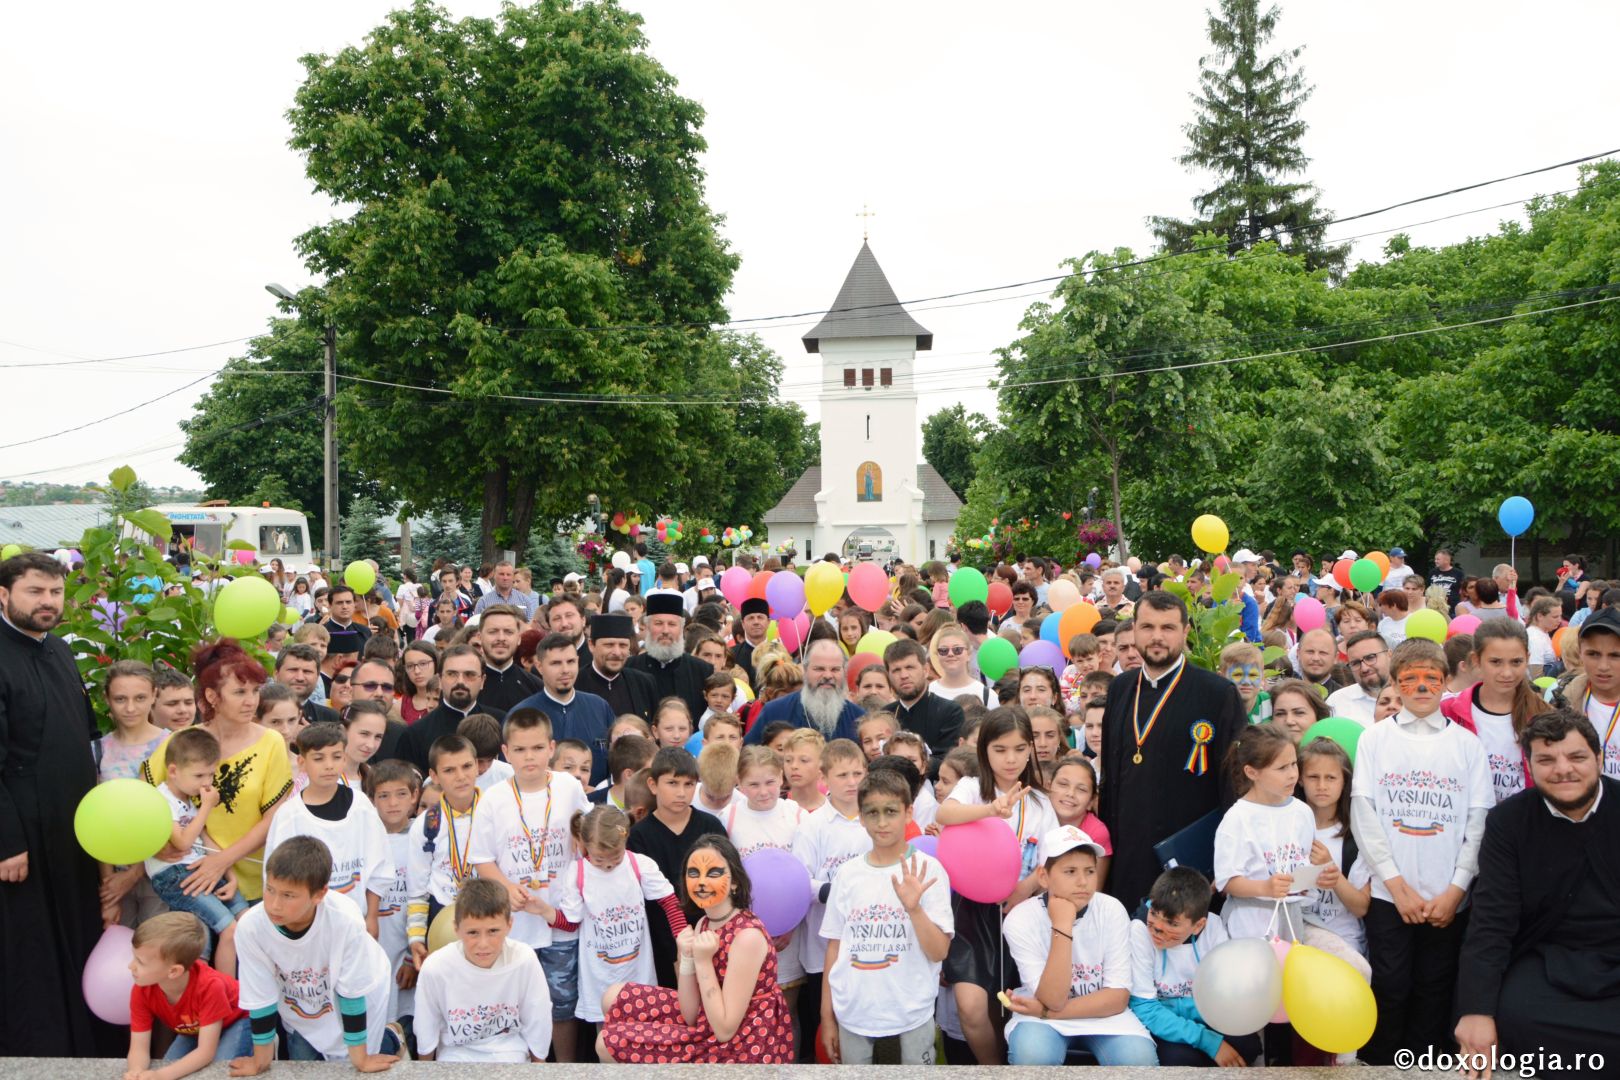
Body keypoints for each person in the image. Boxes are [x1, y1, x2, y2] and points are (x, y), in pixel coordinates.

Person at [1351, 637, 1491, 1064]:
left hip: (1446, 898)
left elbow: (1478, 821)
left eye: (1432, 678)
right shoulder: (1375, 739)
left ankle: (1425, 1065)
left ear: (1446, 681)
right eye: (1411, 679)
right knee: (1390, 985)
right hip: (1388, 895)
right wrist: (1395, 885)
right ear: (1395, 683)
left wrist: (1456, 889)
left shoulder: (1467, 745)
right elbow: (1364, 813)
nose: (1423, 687)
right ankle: (1381, 1066)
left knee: (1435, 988)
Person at [1455, 709, 1620, 1070]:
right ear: (1529, 765)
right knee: (1516, 1020)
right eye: (1546, 760)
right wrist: (1475, 1010)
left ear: (1599, 759)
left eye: (1576, 757)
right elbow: (1492, 920)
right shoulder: (1509, 822)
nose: (1563, 769)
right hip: (1547, 959)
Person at [0, 552, 118, 1054]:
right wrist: (7, 842)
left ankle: (86, 1046)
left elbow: (86, 737)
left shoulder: (62, 650)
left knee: (79, 932)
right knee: (33, 950)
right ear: (3, 595)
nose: (47, 602)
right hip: (23, 836)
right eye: (35, 591)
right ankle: (39, 1052)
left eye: (55, 592)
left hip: (73, 829)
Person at [1099, 591, 1245, 911]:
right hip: (1128, 853)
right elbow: (1110, 775)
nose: (1157, 637)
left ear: (1185, 631)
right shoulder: (1121, 688)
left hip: (1187, 860)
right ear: (1134, 630)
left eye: (1167, 628)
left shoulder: (1217, 693)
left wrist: (1225, 861)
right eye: (1147, 627)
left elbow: (1234, 787)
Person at [598, 835, 792, 1063]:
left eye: (713, 873)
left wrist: (702, 961)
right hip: (706, 1018)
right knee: (613, 997)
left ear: (735, 882)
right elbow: (689, 1014)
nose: (701, 882)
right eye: (693, 873)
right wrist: (687, 958)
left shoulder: (747, 938)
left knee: (607, 1043)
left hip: (744, 1043)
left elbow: (725, 1030)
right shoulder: (703, 924)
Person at [468, 707, 592, 1061]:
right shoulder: (493, 798)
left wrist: (584, 840)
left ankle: (563, 1067)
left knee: (562, 1004)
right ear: (506, 752)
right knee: (516, 1003)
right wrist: (506, 887)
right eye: (520, 750)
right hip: (517, 923)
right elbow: (481, 859)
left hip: (559, 918)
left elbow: (587, 834)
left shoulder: (569, 787)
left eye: (537, 748)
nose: (529, 757)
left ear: (551, 747)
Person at [936, 708, 1056, 1064]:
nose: (1011, 759)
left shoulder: (1040, 802)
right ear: (984, 750)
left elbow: (1051, 860)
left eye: (1020, 749)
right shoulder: (972, 788)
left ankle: (1008, 1065)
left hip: (1021, 910)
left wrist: (1025, 888)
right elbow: (944, 815)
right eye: (1000, 749)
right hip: (971, 911)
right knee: (971, 1008)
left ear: (1030, 749)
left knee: (1005, 1008)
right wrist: (990, 811)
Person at [142, 642, 293, 908]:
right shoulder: (182, 741)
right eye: (239, 692)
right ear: (212, 696)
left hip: (253, 883)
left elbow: (273, 818)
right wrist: (154, 845)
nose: (251, 701)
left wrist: (221, 861)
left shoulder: (271, 742)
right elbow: (142, 799)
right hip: (188, 880)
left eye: (255, 691)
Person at [818, 769, 954, 1064]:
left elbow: (939, 951)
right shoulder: (847, 874)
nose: (881, 822)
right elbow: (835, 948)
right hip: (853, 1013)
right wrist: (827, 1017)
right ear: (861, 817)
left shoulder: (928, 870)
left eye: (891, 811)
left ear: (908, 813)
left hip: (910, 1013)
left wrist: (914, 909)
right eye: (872, 813)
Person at [232, 836, 398, 1069]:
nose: (274, 904)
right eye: (270, 890)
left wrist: (361, 1059)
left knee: (355, 1064)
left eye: (288, 895)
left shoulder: (345, 920)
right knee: (304, 1061)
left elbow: (351, 993)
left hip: (360, 994)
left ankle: (393, 1038)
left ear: (319, 894)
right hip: (302, 1002)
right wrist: (261, 1061)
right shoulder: (251, 927)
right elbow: (261, 995)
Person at [1002, 826, 1158, 1066]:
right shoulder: (1020, 918)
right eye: (1070, 871)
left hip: (1103, 1017)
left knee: (1139, 1059)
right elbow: (1053, 998)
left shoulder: (1111, 909)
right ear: (1043, 876)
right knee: (1032, 1055)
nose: (1083, 882)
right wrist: (1063, 925)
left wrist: (1045, 1011)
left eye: (1090, 871)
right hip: (1040, 1020)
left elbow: (1117, 998)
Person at [552, 806, 686, 1030]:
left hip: (639, 975)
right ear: (584, 844)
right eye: (599, 859)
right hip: (599, 980)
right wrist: (542, 911)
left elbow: (669, 902)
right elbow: (570, 923)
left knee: (645, 1031)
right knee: (606, 1036)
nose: (607, 864)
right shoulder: (578, 873)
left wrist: (682, 937)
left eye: (615, 857)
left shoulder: (639, 865)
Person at [265, 723, 393, 939]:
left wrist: (371, 916)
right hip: (307, 926)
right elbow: (276, 876)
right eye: (318, 758)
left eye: (336, 757)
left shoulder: (361, 806)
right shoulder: (289, 815)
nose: (329, 765)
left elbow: (379, 866)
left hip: (355, 923)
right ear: (302, 763)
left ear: (344, 759)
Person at [1127, 866, 1259, 1066]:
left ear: (1198, 925)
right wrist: (1208, 1042)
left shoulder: (1214, 927)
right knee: (1182, 1060)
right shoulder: (1139, 930)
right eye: (1153, 913)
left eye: (1172, 923)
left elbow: (1225, 991)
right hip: (1163, 1021)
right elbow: (1146, 1008)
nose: (1157, 928)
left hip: (1207, 1015)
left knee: (1248, 1045)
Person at [413, 876, 553, 1062]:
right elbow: (426, 1024)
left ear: (509, 925)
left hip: (510, 1054)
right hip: (455, 1056)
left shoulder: (524, 960)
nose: (483, 944)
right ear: (456, 928)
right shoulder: (436, 967)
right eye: (473, 933)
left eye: (493, 931)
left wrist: (538, 1068)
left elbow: (538, 1017)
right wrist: (425, 1071)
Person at [146, 727, 249, 974]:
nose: (207, 783)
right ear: (173, 771)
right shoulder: (161, 800)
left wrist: (230, 877)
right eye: (199, 775)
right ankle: (227, 990)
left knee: (247, 919)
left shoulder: (189, 799)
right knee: (229, 930)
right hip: (174, 875)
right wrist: (206, 808)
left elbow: (206, 841)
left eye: (211, 774)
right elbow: (182, 842)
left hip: (198, 867)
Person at [627, 747, 726, 988]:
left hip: (711, 938)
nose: (681, 793)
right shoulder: (639, 836)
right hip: (661, 944)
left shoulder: (710, 826)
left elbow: (726, 882)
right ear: (653, 785)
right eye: (672, 783)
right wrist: (675, 950)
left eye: (688, 784)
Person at [126, 912, 252, 1075]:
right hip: (196, 1027)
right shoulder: (142, 989)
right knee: (170, 1062)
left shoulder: (210, 986)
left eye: (140, 962)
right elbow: (138, 1048)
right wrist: (136, 1071)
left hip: (240, 1019)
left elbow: (205, 1053)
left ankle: (258, 1046)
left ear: (173, 971)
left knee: (218, 1071)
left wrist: (161, 1076)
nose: (130, 966)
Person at [1441, 619, 1551, 802]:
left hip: (1520, 816)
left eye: (1516, 662)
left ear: (1527, 659)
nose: (1507, 673)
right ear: (1476, 660)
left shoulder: (1544, 715)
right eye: (1496, 662)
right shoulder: (1448, 710)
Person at [406, 735, 481, 966]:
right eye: (449, 770)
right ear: (434, 776)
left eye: (467, 766)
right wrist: (416, 937)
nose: (461, 776)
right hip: (441, 915)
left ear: (477, 766)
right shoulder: (426, 824)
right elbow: (418, 889)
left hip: (488, 913)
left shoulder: (496, 813)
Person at [513, 633, 621, 789]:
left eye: (570, 662)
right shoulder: (522, 715)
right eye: (556, 663)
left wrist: (599, 791)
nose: (565, 670)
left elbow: (618, 762)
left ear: (578, 661)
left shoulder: (599, 707)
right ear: (539, 666)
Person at [1298, 737, 1370, 959]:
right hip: (1296, 938)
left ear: (1344, 781)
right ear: (1300, 779)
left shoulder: (1355, 838)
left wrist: (1332, 872)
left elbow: (1361, 907)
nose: (1322, 786)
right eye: (1313, 777)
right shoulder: (1288, 830)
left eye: (1330, 778)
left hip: (1344, 941)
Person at [744, 639, 862, 744]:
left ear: (844, 672)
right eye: (819, 669)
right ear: (805, 671)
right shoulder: (774, 712)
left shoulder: (859, 718)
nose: (827, 675)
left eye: (835, 669)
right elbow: (750, 755)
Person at [1550, 608, 1620, 777]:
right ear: (1580, 652)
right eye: (1593, 654)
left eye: (1615, 655)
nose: (1603, 666)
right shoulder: (1561, 704)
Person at [627, 594, 714, 721]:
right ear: (647, 627)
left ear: (681, 628)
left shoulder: (703, 671)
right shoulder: (628, 669)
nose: (665, 630)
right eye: (658, 623)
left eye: (672, 624)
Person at [576, 614, 657, 722]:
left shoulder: (643, 683)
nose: (617, 652)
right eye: (609, 645)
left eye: (623, 645)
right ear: (591, 645)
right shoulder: (575, 684)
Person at [475, 605, 543, 713]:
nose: (501, 638)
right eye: (493, 631)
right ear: (480, 638)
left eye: (508, 632)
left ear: (519, 638)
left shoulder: (536, 687)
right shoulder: (467, 687)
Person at [1328, 631, 1389, 727]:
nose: (1364, 668)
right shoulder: (1337, 701)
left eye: (1370, 658)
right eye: (1355, 663)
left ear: (1389, 655)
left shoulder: (1410, 697)